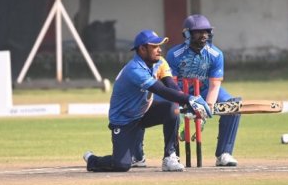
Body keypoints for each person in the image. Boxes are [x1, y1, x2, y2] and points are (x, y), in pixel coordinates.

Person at [83, 29, 212, 172]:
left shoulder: (160, 62)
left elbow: (171, 86)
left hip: (144, 112)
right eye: (155, 47)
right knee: (122, 165)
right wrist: (190, 99)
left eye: (159, 46)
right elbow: (161, 90)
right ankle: (93, 160)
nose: (159, 50)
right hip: (124, 120)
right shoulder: (135, 70)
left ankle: (169, 157)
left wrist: (187, 104)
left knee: (172, 108)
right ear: (142, 49)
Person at [165, 15, 241, 167]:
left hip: (205, 90)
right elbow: (171, 84)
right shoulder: (174, 54)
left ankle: (224, 154)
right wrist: (184, 102)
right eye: (198, 32)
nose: (204, 35)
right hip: (180, 92)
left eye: (206, 31)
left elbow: (214, 85)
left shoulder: (216, 54)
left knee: (233, 105)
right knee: (145, 104)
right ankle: (143, 156)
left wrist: (207, 107)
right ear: (187, 34)